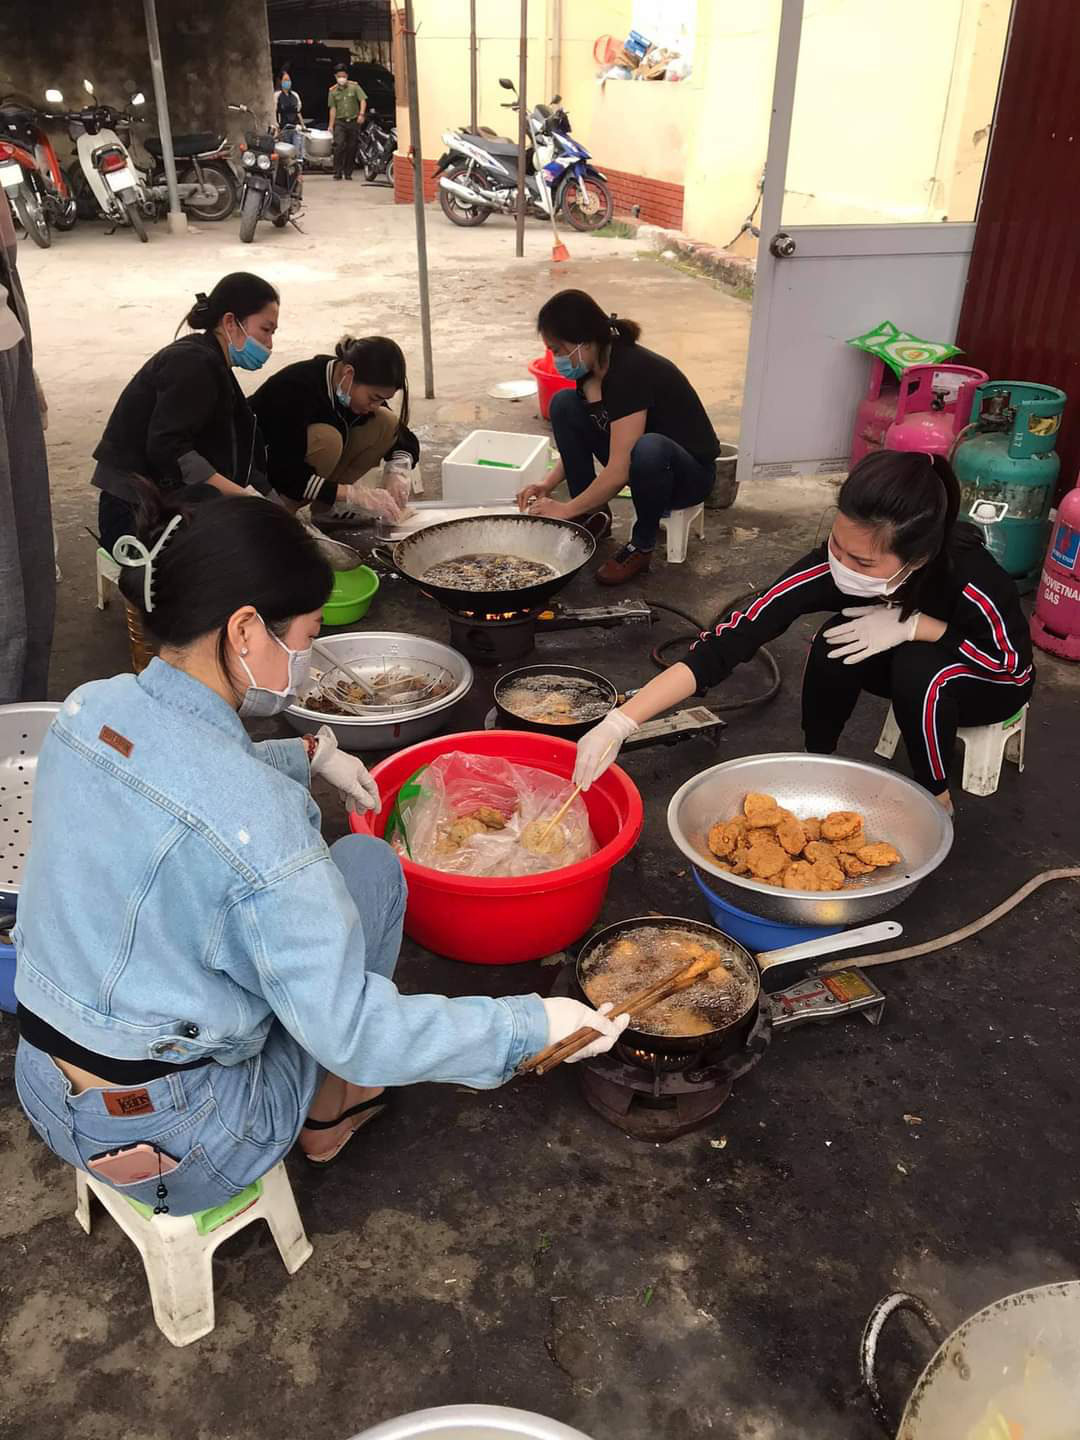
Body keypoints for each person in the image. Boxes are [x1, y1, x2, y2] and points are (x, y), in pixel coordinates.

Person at [12, 491, 625, 1215]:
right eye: (305, 634)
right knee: (370, 873)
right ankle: (330, 1118)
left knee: (332, 892)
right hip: (190, 1142)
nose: (308, 656)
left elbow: (177, 783)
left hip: (46, 1089)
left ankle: (319, 1100)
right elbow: (358, 1030)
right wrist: (529, 1027)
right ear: (245, 631)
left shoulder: (93, 709)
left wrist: (309, 752)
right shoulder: (260, 827)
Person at [572, 451, 1034, 815]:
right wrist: (622, 722)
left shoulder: (974, 580)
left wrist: (921, 627)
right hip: (921, 669)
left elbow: (1013, 667)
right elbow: (735, 635)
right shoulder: (832, 566)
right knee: (837, 639)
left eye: (863, 563)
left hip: (988, 682)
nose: (842, 565)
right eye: (837, 545)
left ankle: (935, 799)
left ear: (917, 559)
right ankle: (820, 761)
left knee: (920, 670)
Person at [517, 289, 719, 586]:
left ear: (584, 342)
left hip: (687, 475)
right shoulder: (590, 369)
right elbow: (596, 437)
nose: (555, 358)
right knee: (563, 405)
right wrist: (547, 483)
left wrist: (564, 509)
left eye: (558, 350)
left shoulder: (629, 371)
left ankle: (642, 545)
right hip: (642, 465)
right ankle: (593, 516)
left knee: (650, 448)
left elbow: (619, 469)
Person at [92, 272, 279, 553]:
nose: (270, 344)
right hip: (134, 507)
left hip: (162, 494)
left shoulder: (215, 365)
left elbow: (238, 449)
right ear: (230, 322)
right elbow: (168, 447)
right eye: (266, 330)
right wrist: (244, 496)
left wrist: (273, 503)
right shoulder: (192, 363)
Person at [251, 335, 418, 523]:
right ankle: (281, 514)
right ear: (348, 373)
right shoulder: (295, 389)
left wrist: (398, 470)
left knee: (386, 421)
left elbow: (403, 436)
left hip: (293, 475)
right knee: (328, 439)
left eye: (381, 399)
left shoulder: (351, 388)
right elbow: (287, 474)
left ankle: (328, 509)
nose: (376, 405)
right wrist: (352, 494)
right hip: (267, 479)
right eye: (373, 398)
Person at [0, 185, 54, 703]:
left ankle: (18, 712)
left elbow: (6, 246)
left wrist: (26, 362)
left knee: (22, 562)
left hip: (6, 342)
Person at [328, 63, 367, 181]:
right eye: (339, 76)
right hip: (340, 122)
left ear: (347, 76)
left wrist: (361, 114)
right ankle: (337, 172)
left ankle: (348, 172)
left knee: (352, 147)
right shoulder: (333, 91)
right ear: (336, 77)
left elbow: (363, 100)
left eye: (343, 76)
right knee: (338, 146)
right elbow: (333, 108)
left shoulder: (354, 87)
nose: (342, 78)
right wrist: (331, 125)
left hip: (353, 121)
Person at [274, 70, 305, 160]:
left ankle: (298, 171)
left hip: (295, 127)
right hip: (284, 128)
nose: (287, 82)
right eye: (285, 80)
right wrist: (277, 127)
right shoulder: (277, 95)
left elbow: (298, 112)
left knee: (298, 150)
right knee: (286, 153)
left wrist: (303, 126)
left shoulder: (295, 95)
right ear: (280, 81)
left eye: (289, 80)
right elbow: (276, 112)